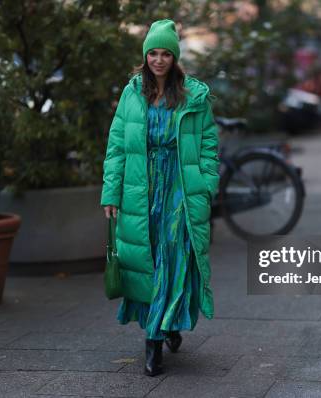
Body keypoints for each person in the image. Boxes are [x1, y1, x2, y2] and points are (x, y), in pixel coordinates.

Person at [100, 19, 219, 377]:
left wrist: (208, 182)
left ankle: (162, 328)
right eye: (153, 52)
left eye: (166, 53)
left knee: (175, 254)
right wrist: (111, 193)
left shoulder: (194, 95)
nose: (159, 59)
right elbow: (117, 147)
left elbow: (209, 144)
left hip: (181, 188)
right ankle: (157, 333)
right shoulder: (132, 93)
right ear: (145, 55)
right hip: (143, 187)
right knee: (150, 257)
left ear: (175, 56)